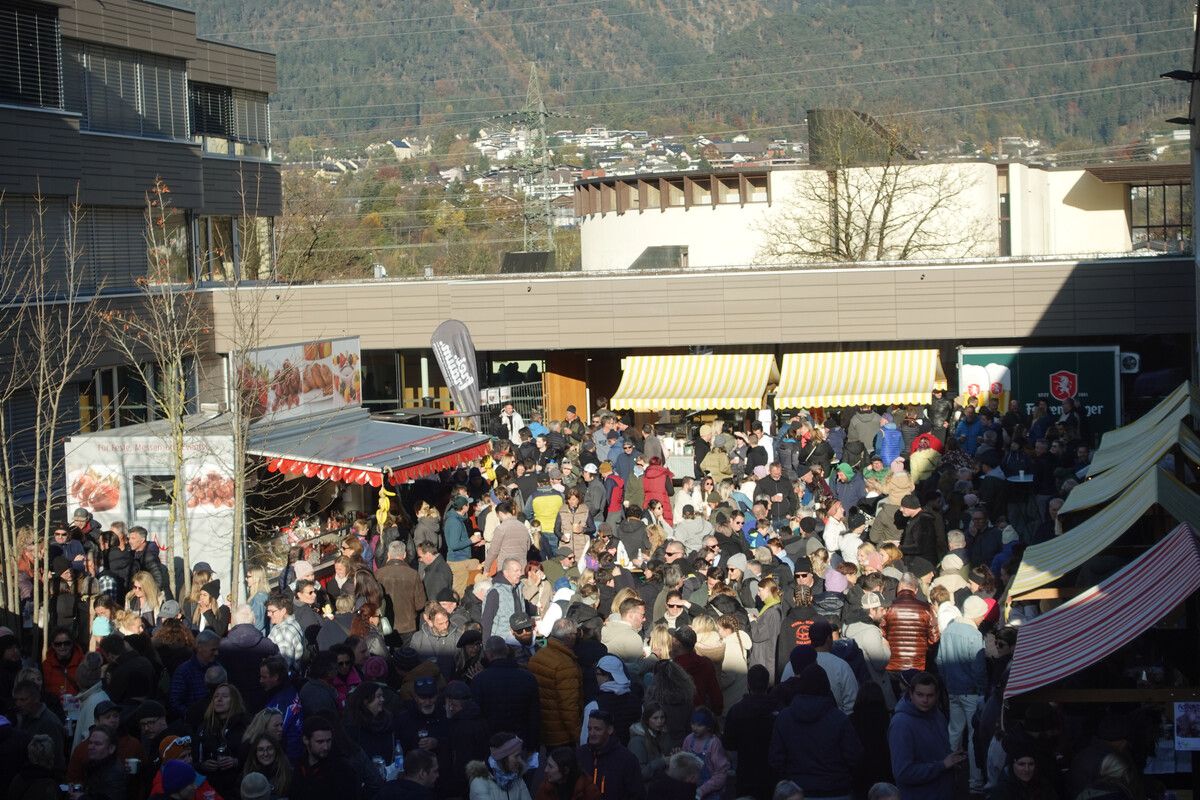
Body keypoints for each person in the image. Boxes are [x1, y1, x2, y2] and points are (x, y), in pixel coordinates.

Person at [769, 663, 862, 800]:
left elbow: (775, 759)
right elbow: (855, 756)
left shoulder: (784, 718)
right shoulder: (839, 719)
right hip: (836, 790)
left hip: (797, 791)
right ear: (826, 687)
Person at [936, 594, 987, 793]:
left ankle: (948, 772)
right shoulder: (974, 635)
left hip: (953, 690)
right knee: (974, 737)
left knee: (954, 732)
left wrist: (948, 683)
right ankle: (975, 782)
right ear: (977, 614)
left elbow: (940, 661)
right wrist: (982, 691)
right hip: (972, 692)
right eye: (982, 615)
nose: (983, 618)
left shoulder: (949, 630)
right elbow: (979, 668)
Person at [888, 672, 963, 800]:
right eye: (920, 695)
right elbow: (903, 772)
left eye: (930, 695)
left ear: (937, 695)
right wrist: (942, 765)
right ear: (911, 694)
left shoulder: (937, 715)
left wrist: (951, 762)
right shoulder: (901, 724)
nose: (925, 700)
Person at [471, 636, 541, 748]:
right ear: (507, 651)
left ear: (488, 654)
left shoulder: (480, 680)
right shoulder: (527, 677)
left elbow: (477, 717)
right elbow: (534, 715)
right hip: (521, 741)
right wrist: (533, 745)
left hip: (492, 743)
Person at [528, 619, 583, 750]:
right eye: (576, 634)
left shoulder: (538, 656)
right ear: (569, 637)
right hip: (561, 734)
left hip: (543, 728)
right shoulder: (565, 665)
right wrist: (578, 736)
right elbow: (568, 706)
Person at [576, 710, 644, 800]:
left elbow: (636, 794)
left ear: (610, 730)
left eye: (597, 729)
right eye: (589, 729)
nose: (592, 733)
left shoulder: (627, 759)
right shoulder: (580, 754)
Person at [291, 716, 360, 800]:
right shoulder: (299, 767)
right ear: (306, 740)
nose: (326, 747)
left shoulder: (342, 770)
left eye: (328, 741)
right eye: (320, 742)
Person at [376, 541, 427, 643]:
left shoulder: (378, 574)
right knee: (406, 657)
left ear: (388, 555)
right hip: (407, 626)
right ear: (404, 555)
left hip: (385, 624)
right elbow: (420, 604)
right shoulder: (413, 574)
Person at [679, 707, 730, 800]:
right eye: (692, 723)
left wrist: (702, 790)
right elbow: (684, 766)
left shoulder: (714, 743)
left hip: (711, 793)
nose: (694, 727)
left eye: (699, 725)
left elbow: (721, 774)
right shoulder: (689, 740)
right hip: (691, 789)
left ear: (708, 726)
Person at [465, 732, 533, 800]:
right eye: (516, 756)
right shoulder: (479, 782)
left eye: (520, 755)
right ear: (503, 758)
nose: (520, 760)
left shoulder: (517, 779)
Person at [242, 734, 292, 799]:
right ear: (255, 752)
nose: (265, 754)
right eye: (260, 749)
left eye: (270, 748)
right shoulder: (247, 774)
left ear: (276, 750)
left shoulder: (287, 772)